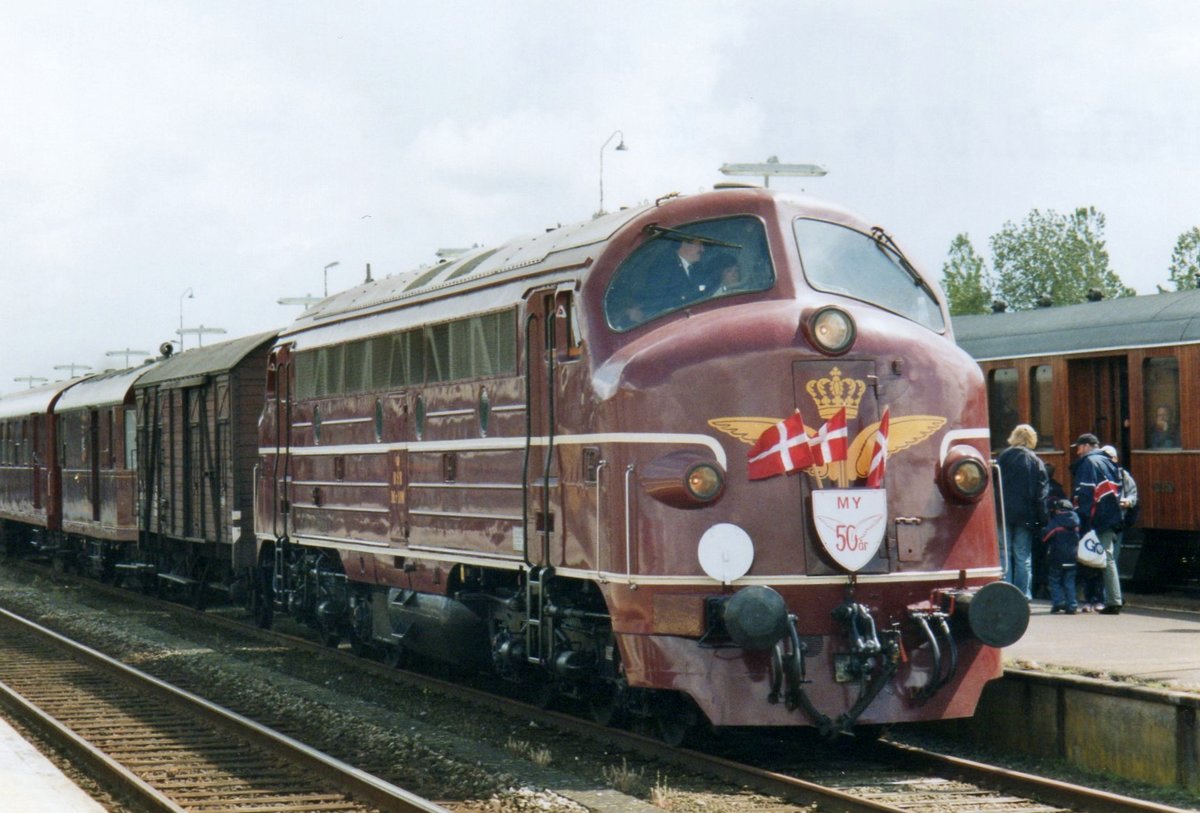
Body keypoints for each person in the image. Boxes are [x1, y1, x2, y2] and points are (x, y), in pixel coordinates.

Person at [1070, 433, 1124, 615]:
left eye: (1078, 447)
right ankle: (1113, 599)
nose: (1077, 451)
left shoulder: (1088, 463)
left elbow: (1084, 493)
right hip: (1111, 515)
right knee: (1108, 558)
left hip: (1093, 518)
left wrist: (1082, 518)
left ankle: (1095, 598)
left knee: (1089, 558)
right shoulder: (1110, 463)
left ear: (1086, 446)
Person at [996, 424, 1049, 601]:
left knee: (1004, 553)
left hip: (1003, 513)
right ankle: (1022, 595)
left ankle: (1005, 593)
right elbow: (1041, 493)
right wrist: (1043, 518)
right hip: (1026, 515)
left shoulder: (1003, 458)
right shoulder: (1035, 461)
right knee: (1023, 555)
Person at [1101, 445, 1139, 576]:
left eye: (1109, 457)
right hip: (1102, 522)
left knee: (1111, 559)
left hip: (1117, 522)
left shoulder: (1123, 475)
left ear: (1115, 459)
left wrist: (1128, 501)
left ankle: (1109, 594)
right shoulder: (1098, 474)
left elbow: (1133, 494)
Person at [1042, 498, 1080, 614]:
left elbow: (1045, 537)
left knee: (1055, 580)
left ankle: (1058, 602)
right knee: (1069, 581)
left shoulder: (1055, 521)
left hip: (1057, 557)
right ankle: (1072, 605)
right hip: (1073, 556)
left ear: (1058, 510)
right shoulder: (1076, 521)